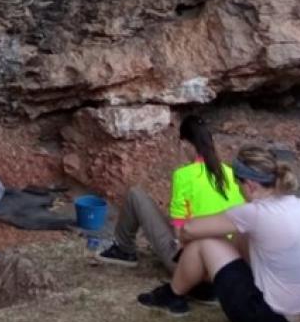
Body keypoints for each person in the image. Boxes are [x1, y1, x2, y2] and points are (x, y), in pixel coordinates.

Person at [138, 147, 300, 322]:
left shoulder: (255, 213)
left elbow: (188, 229)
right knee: (236, 234)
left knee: (205, 242)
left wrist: (186, 242)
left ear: (249, 185)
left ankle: (172, 293)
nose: (238, 189)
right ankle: (196, 282)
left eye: (237, 183)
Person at [97, 115, 244, 273]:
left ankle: (123, 249)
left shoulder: (184, 175)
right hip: (229, 262)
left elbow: (179, 229)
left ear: (184, 144)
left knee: (136, 195)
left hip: (193, 264)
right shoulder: (229, 173)